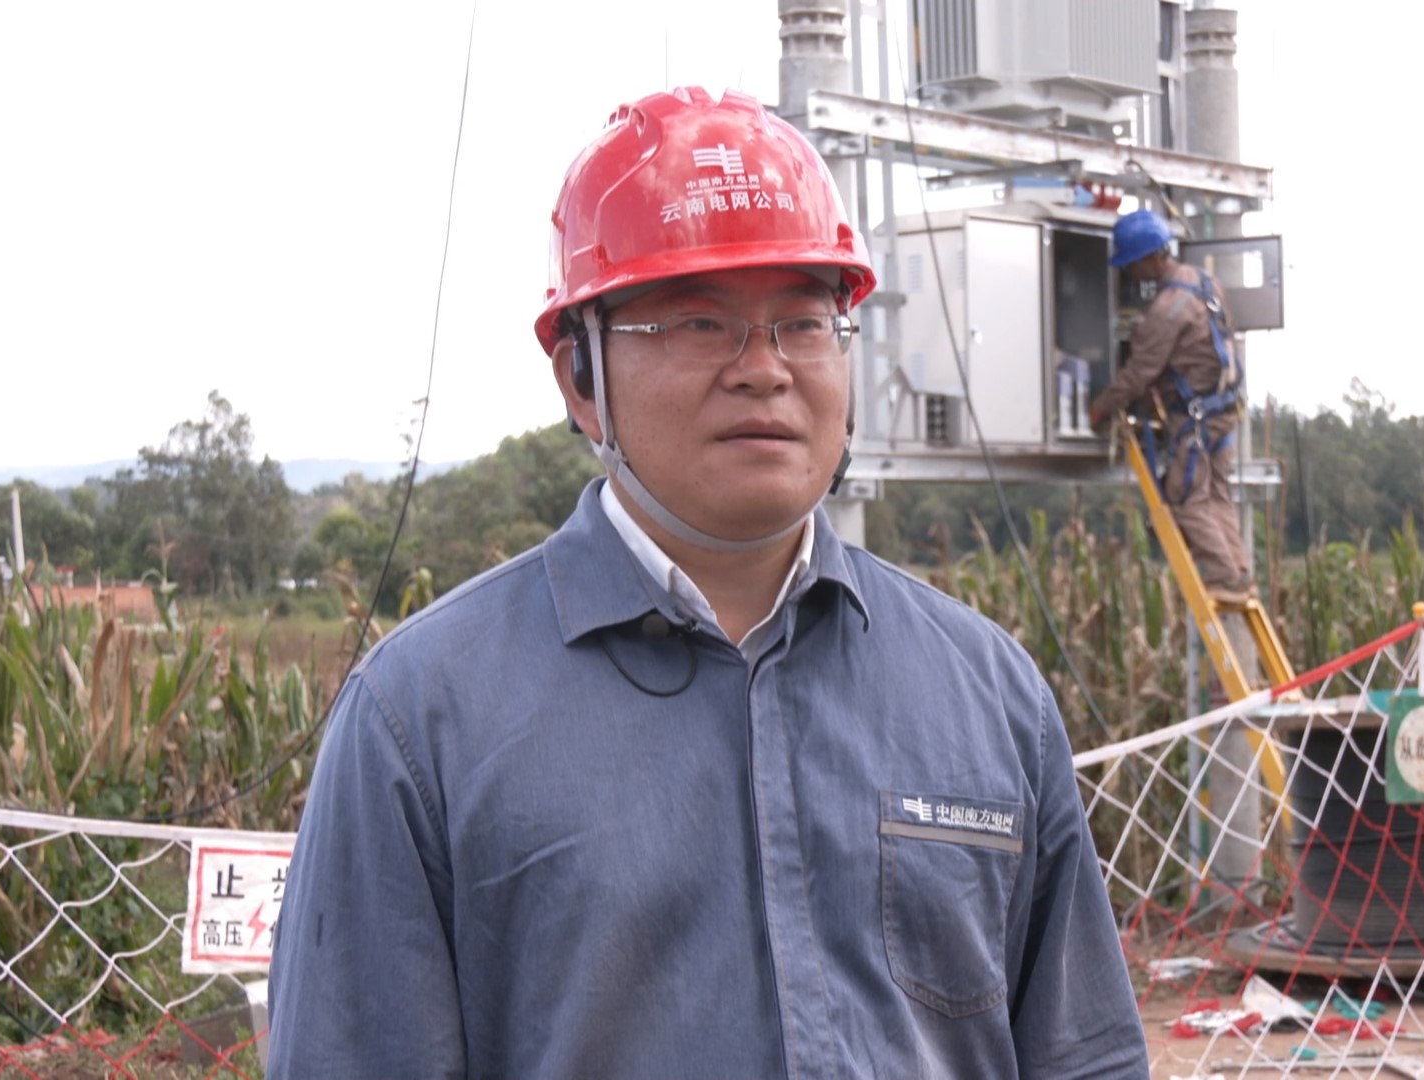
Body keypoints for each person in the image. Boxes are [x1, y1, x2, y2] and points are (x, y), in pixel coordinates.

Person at [265, 86, 1149, 1079]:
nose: (764, 369)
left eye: (804, 322)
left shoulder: (988, 696)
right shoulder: (421, 721)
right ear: (580, 378)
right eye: (697, 321)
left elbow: (1086, 1058)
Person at [1090, 208, 1254, 605]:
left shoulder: (1166, 310)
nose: (1132, 276)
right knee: (1217, 494)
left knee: (1184, 497)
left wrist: (1101, 408)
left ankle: (1223, 575)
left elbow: (1139, 373)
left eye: (1132, 266)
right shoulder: (1205, 282)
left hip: (1195, 417)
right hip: (1225, 411)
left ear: (1149, 258)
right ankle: (1239, 574)